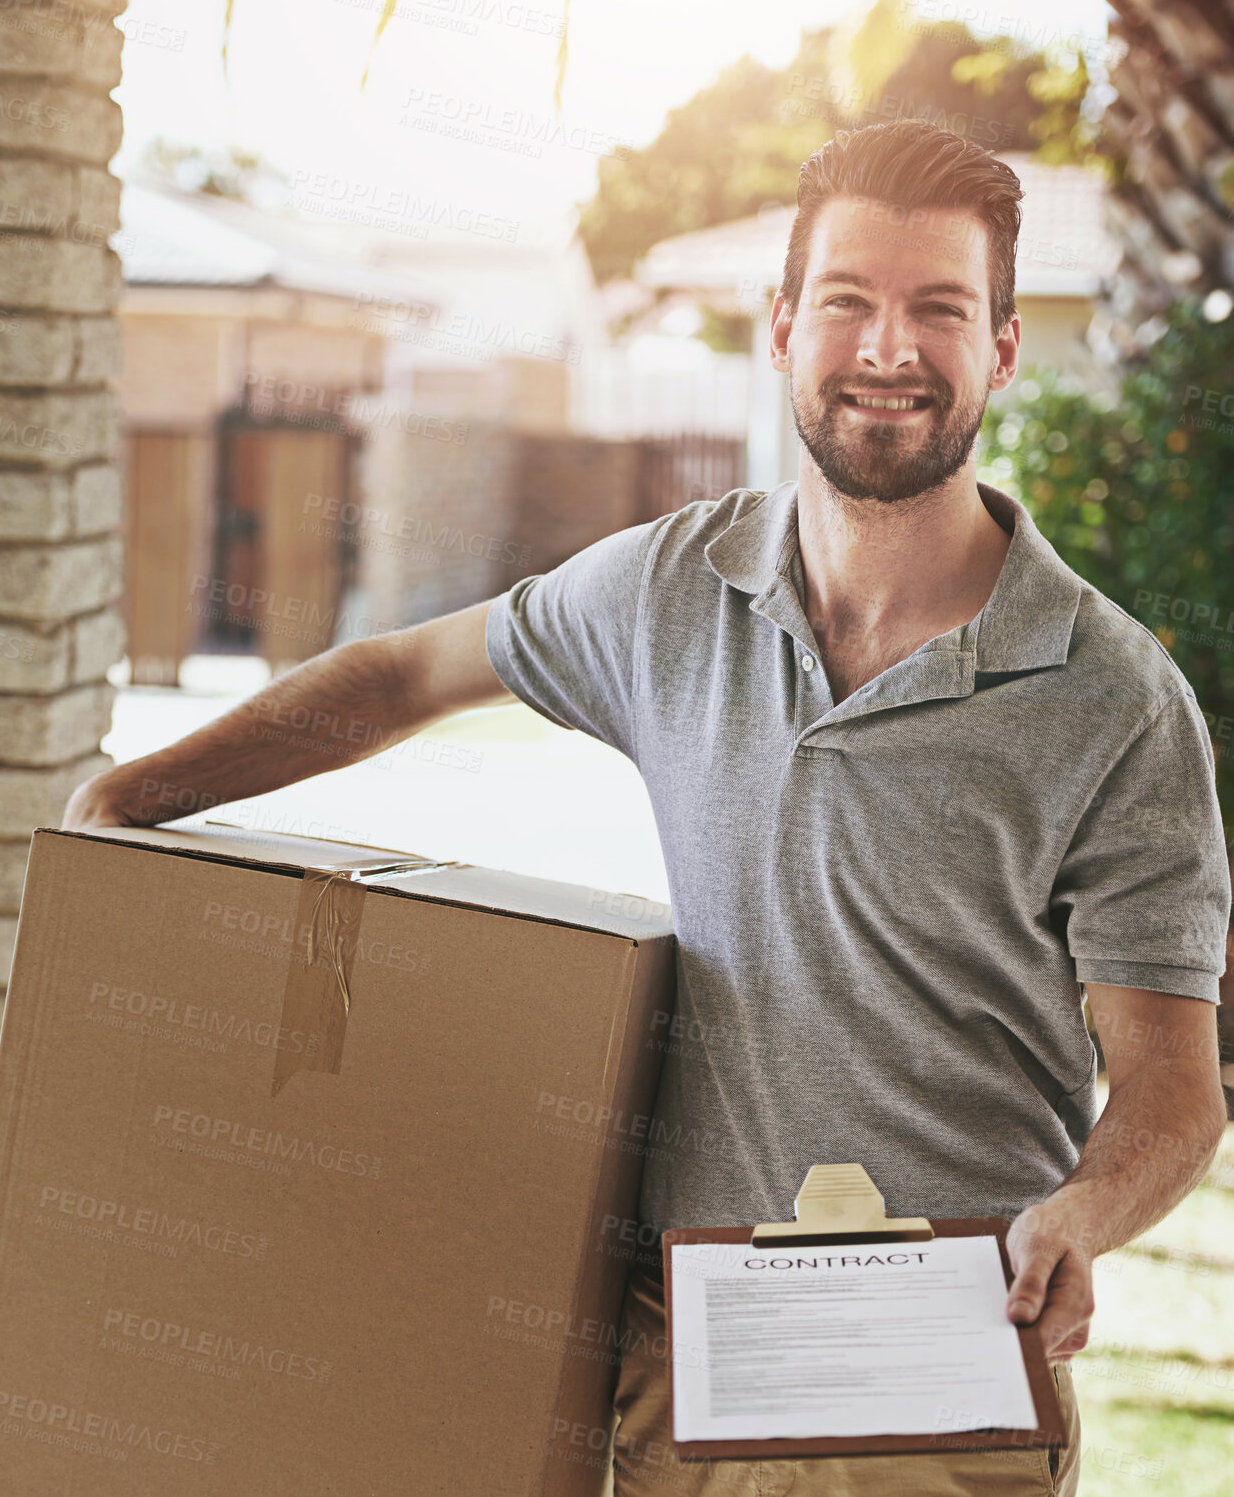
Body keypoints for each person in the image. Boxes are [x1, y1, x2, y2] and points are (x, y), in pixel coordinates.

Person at [65, 120, 1231, 1497]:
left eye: (938, 310)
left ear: (1001, 346)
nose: (886, 350)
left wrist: (1083, 1215)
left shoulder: (1108, 696)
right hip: (683, 1364)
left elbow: (1169, 1079)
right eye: (847, 302)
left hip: (939, 1372)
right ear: (784, 326)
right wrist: (130, 795)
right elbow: (398, 676)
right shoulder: (671, 592)